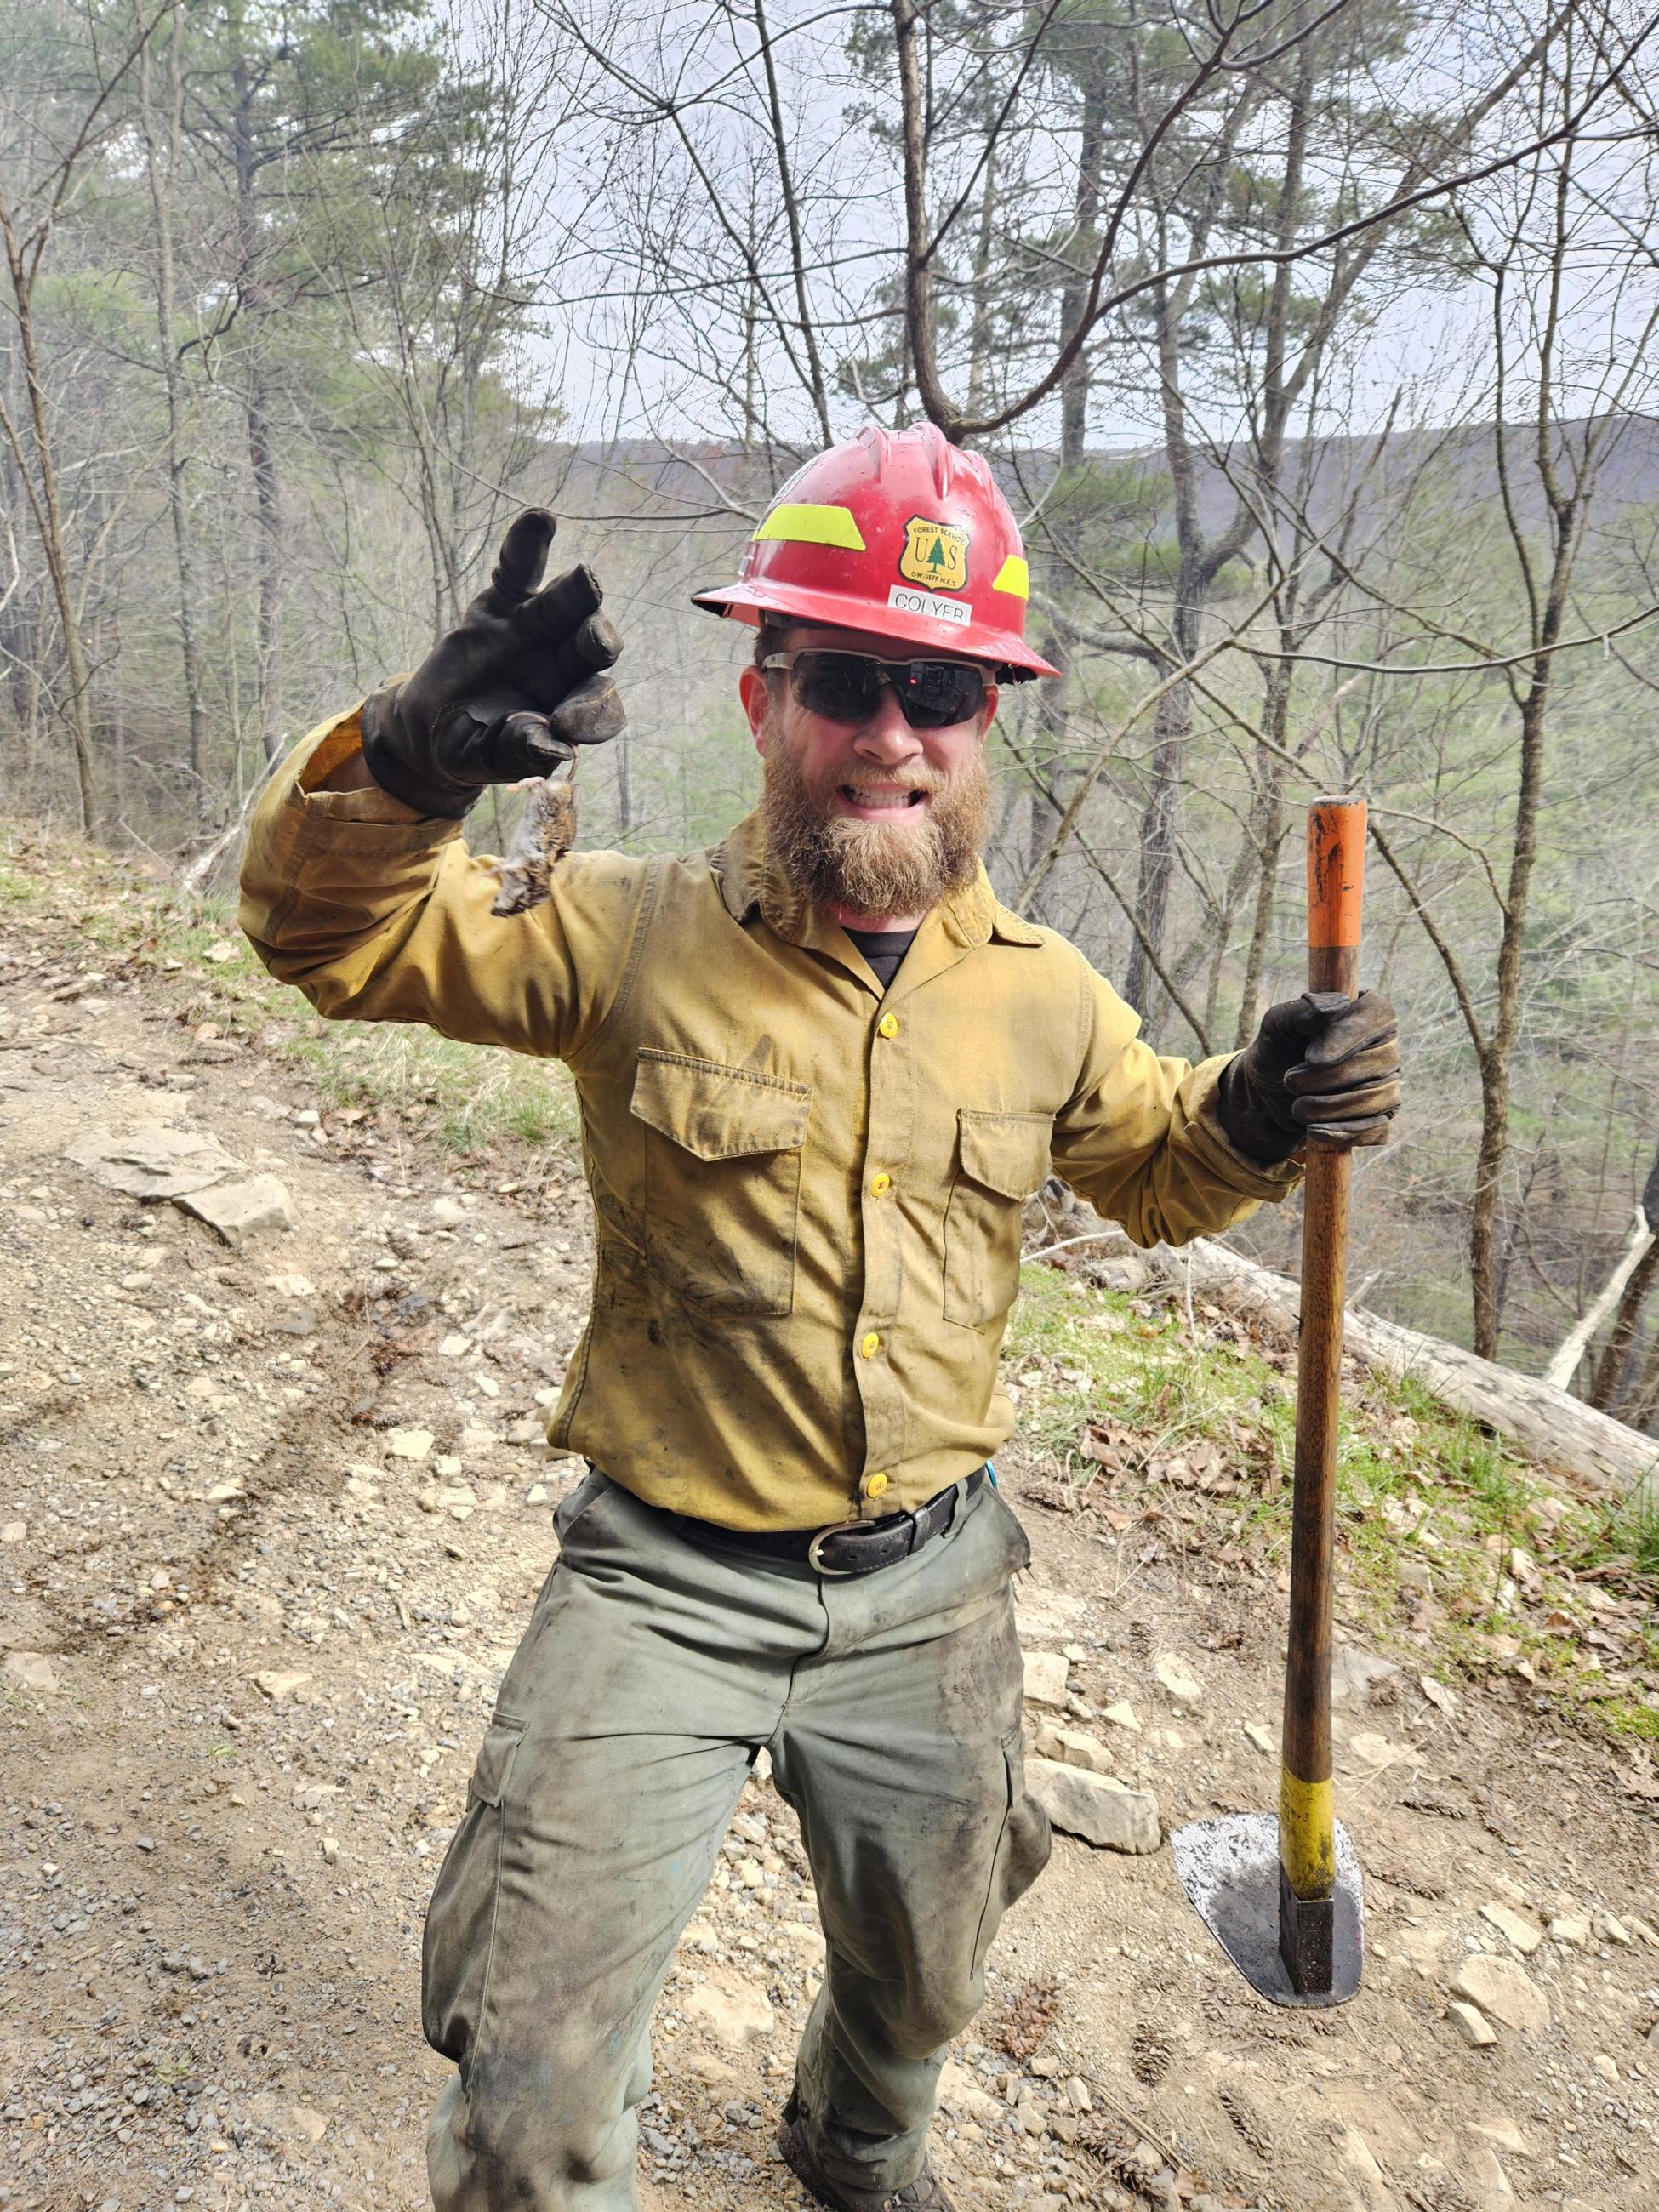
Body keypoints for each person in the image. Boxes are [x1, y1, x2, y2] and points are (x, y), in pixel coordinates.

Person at [239, 423, 1400, 2212]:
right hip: (663, 1580)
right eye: (849, 677)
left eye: (940, 688)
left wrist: (1255, 1100)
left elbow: (1160, 1168)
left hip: (930, 1592)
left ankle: (851, 2148)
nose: (892, 732)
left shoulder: (1044, 998)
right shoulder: (619, 930)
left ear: (988, 718)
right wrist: (400, 766)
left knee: (925, 1982)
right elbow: (339, 940)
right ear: (767, 691)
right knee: (529, 2083)